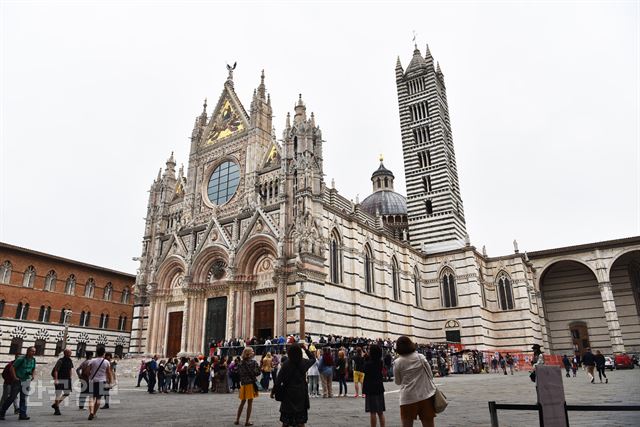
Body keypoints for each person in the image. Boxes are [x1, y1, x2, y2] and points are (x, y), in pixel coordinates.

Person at [393, 337, 436, 427]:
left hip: (407, 398)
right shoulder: (421, 357)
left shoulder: (397, 362)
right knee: (428, 424)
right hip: (425, 395)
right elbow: (431, 376)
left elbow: (398, 382)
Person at [271, 343, 317, 427]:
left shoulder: (286, 364)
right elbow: (313, 359)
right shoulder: (304, 362)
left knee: (286, 422)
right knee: (301, 422)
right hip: (301, 393)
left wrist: (273, 392)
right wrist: (305, 349)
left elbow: (278, 380)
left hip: (288, 394)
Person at [83, 346, 113, 421]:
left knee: (91, 398)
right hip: (102, 381)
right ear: (104, 353)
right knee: (98, 399)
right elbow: (109, 373)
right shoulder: (106, 362)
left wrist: (90, 375)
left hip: (92, 381)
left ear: (96, 353)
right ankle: (94, 413)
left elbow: (86, 372)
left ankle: (91, 412)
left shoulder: (92, 361)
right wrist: (110, 382)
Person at [235, 347, 260, 426]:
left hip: (243, 384)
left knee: (242, 403)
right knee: (250, 403)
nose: (253, 352)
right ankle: (247, 421)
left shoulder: (240, 363)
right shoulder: (253, 363)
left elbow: (239, 373)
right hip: (250, 384)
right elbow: (257, 373)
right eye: (252, 351)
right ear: (249, 354)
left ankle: (237, 420)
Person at [363, 344, 386, 427]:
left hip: (371, 388)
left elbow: (364, 370)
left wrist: (365, 358)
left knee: (373, 412)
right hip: (379, 387)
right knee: (380, 412)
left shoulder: (368, 364)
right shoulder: (380, 362)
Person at [52, 348, 74, 415]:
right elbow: (56, 370)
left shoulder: (70, 360)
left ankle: (56, 404)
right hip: (60, 379)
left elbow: (70, 369)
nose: (71, 354)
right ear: (66, 353)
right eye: (70, 352)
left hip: (67, 379)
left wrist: (70, 377)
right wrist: (56, 380)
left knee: (67, 393)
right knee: (58, 394)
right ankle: (57, 409)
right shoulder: (60, 361)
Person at [0, 352, 21, 417]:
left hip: (15, 384)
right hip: (8, 383)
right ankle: (1, 408)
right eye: (18, 357)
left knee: (14, 396)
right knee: (5, 397)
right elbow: (4, 374)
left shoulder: (20, 365)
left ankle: (16, 408)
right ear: (15, 357)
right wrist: (8, 380)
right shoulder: (9, 365)